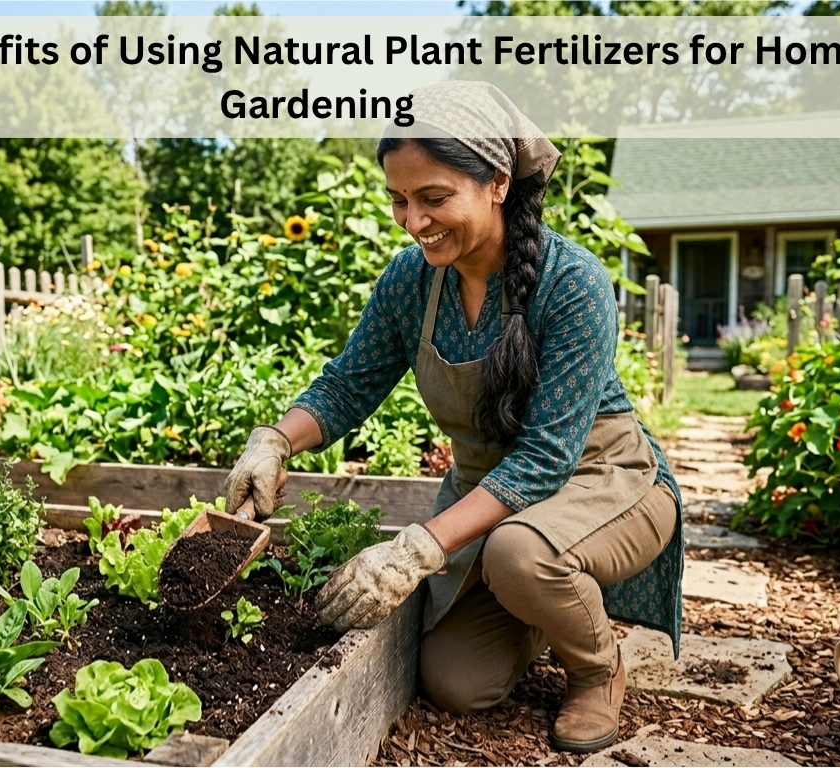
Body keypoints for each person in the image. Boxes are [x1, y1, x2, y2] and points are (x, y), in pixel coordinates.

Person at [223, 81, 683, 754]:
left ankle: (595, 667)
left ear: (497, 182)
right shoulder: (411, 282)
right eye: (398, 199)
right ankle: (537, 602)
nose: (413, 220)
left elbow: (545, 460)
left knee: (519, 553)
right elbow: (349, 385)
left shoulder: (572, 282)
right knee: (456, 683)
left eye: (434, 197)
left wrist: (416, 548)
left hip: (603, 481)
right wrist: (273, 440)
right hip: (491, 499)